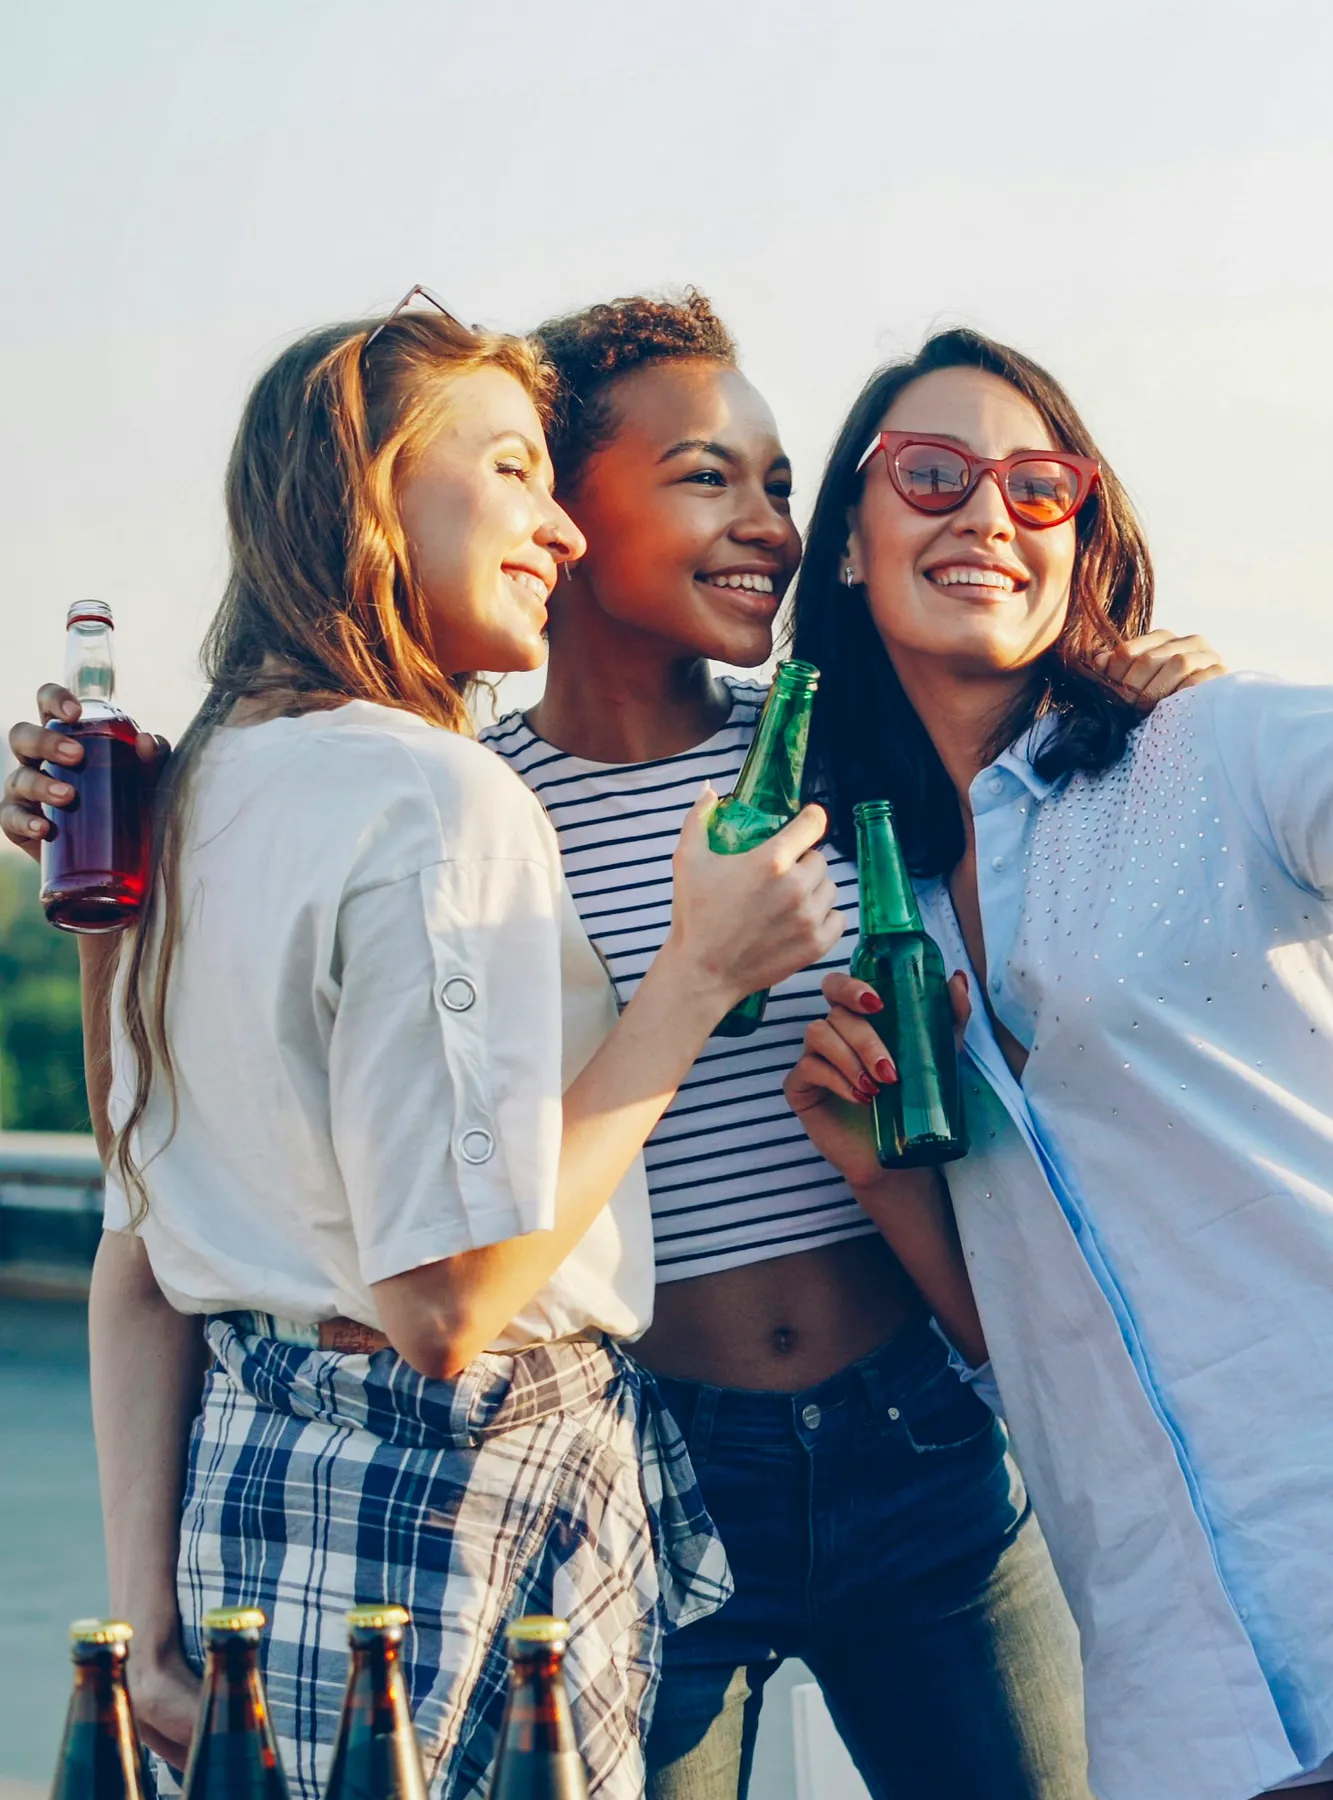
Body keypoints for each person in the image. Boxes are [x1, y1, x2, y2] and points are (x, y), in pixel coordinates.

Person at [0, 298, 846, 1800]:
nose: (563, 532)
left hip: (240, 1515)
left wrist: (151, 1628)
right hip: (456, 1524)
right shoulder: (439, 804)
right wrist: (699, 975)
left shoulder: (170, 805)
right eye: (515, 471)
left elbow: (146, 1245)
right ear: (373, 490)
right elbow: (447, 1305)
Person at [477, 291, 1222, 1800]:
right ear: (559, 509)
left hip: (927, 1452)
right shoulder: (473, 813)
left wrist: (1161, 708)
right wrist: (119, 886)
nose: (767, 522)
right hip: (642, 1480)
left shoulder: (848, 760)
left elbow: (1053, 795)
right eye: (706, 476)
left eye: (777, 483)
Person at [783, 325, 1333, 1800]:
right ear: (848, 538)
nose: (985, 515)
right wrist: (878, 1169)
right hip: (1180, 1703)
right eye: (933, 473)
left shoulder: (1209, 751)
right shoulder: (852, 894)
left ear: (1083, 540)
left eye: (1039, 486)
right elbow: (1022, 1354)